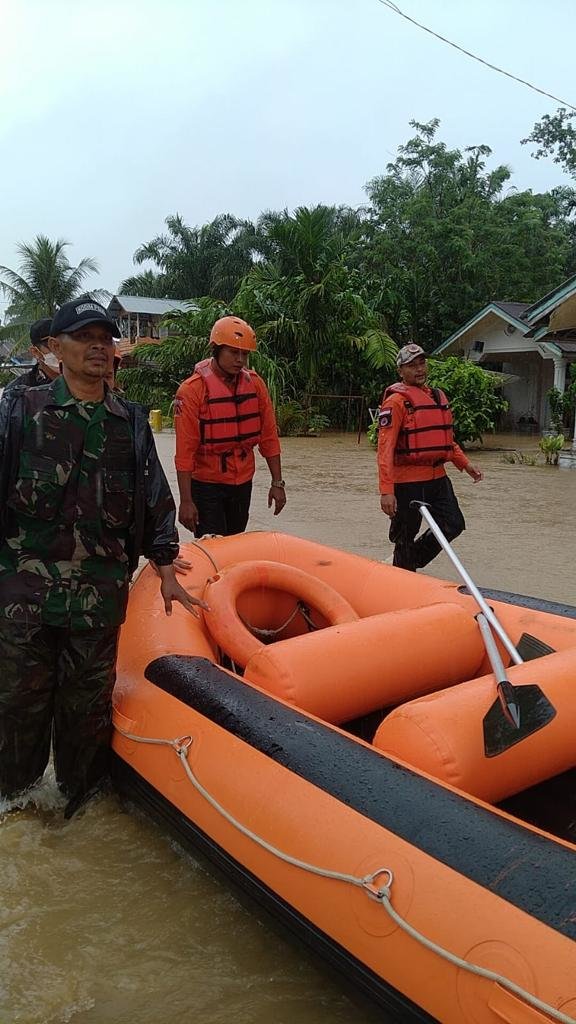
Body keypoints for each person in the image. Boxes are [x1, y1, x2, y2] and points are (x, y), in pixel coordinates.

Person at [0, 298, 207, 818]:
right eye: (85, 336)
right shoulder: (18, 411)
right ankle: (16, 804)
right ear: (54, 348)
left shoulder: (130, 424)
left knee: (87, 709)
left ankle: (77, 806)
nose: (99, 346)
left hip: (98, 599)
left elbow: (155, 498)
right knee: (18, 706)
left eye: (107, 337)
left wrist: (165, 566)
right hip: (21, 598)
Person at [174, 315, 286, 537]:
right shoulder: (192, 391)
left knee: (236, 540)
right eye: (234, 353)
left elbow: (269, 438)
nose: (240, 360)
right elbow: (184, 452)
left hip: (242, 482)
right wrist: (186, 501)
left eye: (245, 354)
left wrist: (278, 483)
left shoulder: (255, 385)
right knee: (214, 545)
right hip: (206, 484)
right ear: (216, 349)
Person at [378, 343, 483, 571]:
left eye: (422, 363)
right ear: (401, 371)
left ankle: (407, 562)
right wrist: (387, 491)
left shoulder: (437, 396)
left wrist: (465, 464)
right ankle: (403, 572)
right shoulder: (395, 402)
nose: (419, 369)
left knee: (453, 523)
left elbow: (444, 440)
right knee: (405, 535)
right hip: (407, 482)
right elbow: (385, 449)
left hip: (437, 478)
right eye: (412, 365)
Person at [1, 317, 60, 399]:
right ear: (35, 352)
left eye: (65, 344)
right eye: (51, 346)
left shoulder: (80, 381)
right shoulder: (17, 392)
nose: (61, 352)